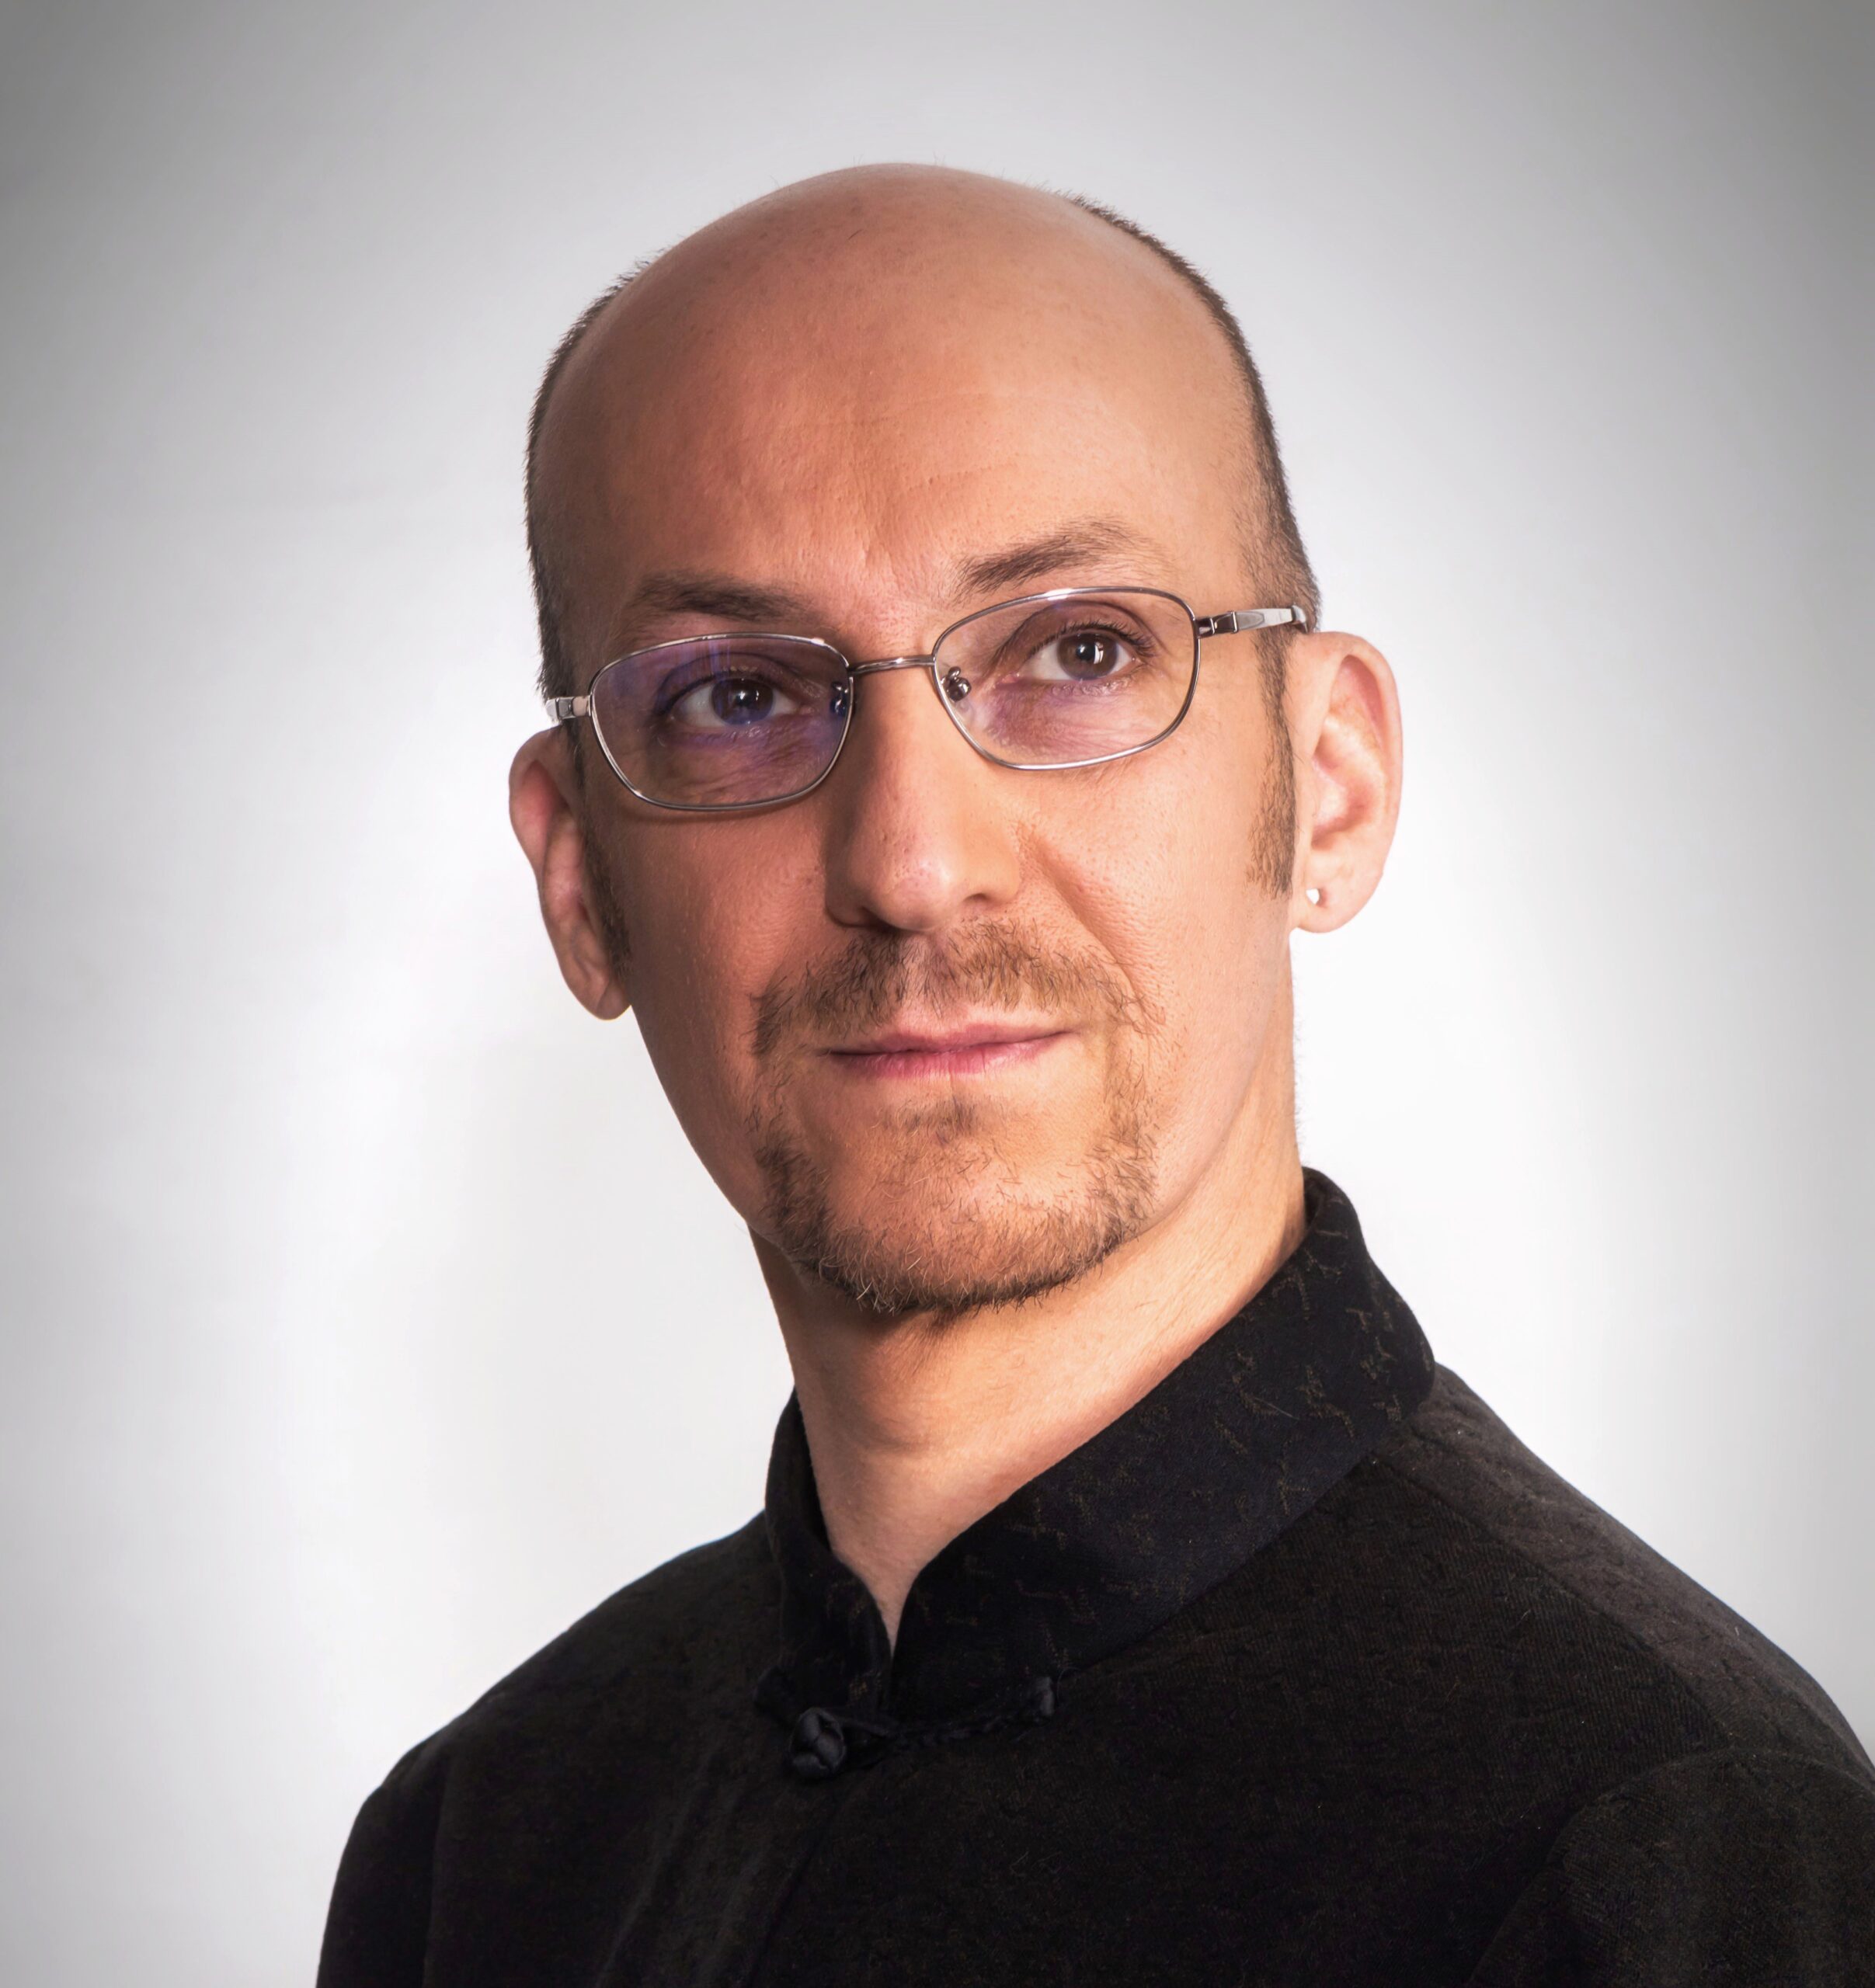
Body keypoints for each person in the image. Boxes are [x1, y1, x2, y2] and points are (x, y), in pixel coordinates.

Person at [318, 166, 1873, 1984]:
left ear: (1328, 788)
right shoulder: (479, 1843)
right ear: (582, 881)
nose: (912, 860)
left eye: (1076, 650)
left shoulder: (1662, 1854)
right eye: (738, 695)